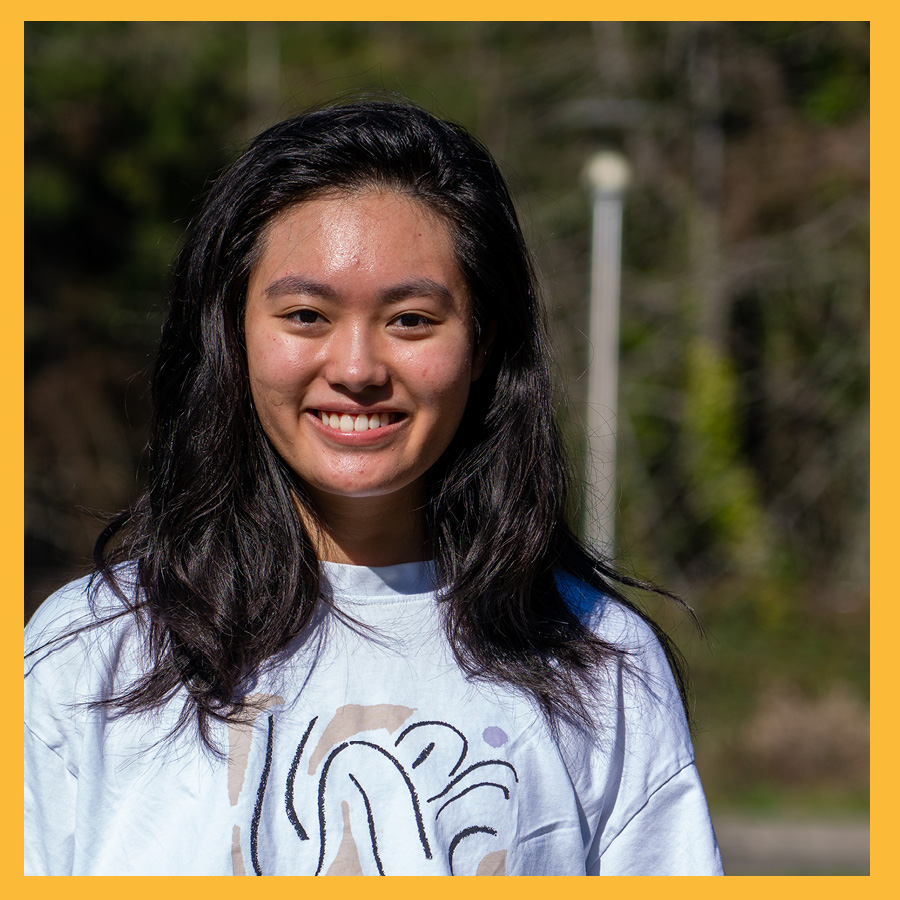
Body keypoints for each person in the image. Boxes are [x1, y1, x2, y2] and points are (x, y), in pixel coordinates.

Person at [24, 99, 723, 876]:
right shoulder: (88, 657)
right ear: (233, 330)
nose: (356, 369)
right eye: (306, 314)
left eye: (412, 320)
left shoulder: (598, 664)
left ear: (484, 341)